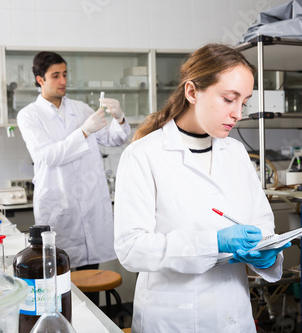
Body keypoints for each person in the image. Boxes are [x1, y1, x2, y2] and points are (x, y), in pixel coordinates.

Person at [114, 44, 290, 332]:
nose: (238, 114)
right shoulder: (143, 155)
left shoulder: (235, 152)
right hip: (175, 318)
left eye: (243, 102)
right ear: (192, 92)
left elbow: (261, 222)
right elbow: (132, 249)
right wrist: (215, 243)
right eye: (228, 99)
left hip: (235, 314)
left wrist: (267, 252)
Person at [17, 51, 130, 271]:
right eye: (56, 76)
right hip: (59, 205)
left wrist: (119, 118)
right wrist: (84, 131)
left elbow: (114, 139)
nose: (63, 81)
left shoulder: (81, 109)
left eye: (65, 74)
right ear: (40, 80)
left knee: (91, 272)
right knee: (59, 273)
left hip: (90, 201)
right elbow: (49, 156)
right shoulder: (29, 115)